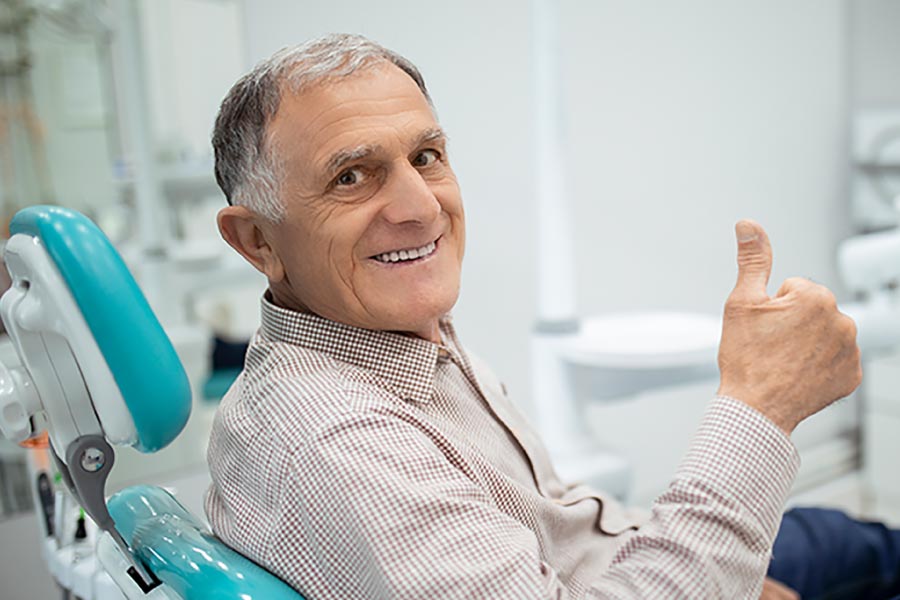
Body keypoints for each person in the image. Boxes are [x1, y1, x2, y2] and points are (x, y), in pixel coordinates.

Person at [204, 33, 900, 599]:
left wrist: (735, 580)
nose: (420, 207)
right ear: (257, 240)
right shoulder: (337, 439)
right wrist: (760, 406)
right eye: (350, 176)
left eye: (426, 156)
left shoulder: (400, 340)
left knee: (846, 538)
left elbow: (555, 520)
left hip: (634, 563)